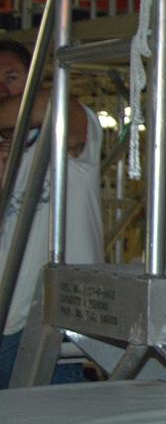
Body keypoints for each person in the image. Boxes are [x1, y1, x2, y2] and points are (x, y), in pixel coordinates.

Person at [0, 38, 103, 387]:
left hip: (54, 329)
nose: (4, 89)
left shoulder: (66, 141)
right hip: (4, 326)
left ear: (33, 78)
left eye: (12, 77)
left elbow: (53, 105)